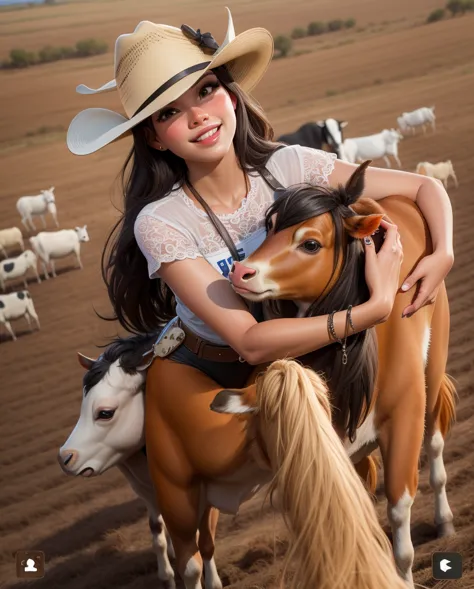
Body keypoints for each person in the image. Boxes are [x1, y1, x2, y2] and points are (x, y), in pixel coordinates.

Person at [67, 9, 454, 390]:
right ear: (153, 137)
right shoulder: (162, 222)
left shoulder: (289, 165)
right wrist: (371, 311)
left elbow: (424, 187)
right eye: (170, 112)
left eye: (206, 90)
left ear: (232, 96)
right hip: (217, 374)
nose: (198, 116)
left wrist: (443, 254)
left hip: (309, 353)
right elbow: (250, 343)